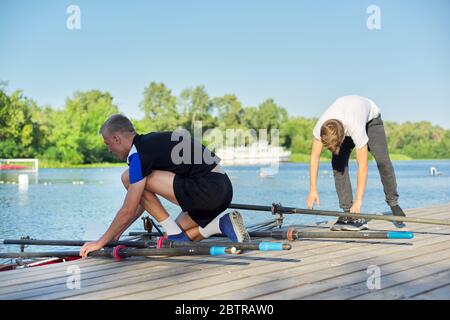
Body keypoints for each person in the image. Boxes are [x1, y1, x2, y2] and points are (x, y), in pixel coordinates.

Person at [79, 114, 249, 258]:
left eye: (107, 143)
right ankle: (220, 224)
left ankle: (174, 232)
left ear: (116, 138)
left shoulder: (139, 154)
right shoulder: (151, 143)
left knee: (127, 177)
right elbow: (141, 202)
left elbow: (128, 209)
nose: (108, 150)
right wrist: (114, 235)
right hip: (222, 190)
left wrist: (101, 241)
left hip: (207, 189)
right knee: (170, 243)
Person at [306, 95, 406, 231]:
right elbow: (314, 157)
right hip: (345, 118)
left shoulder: (355, 128)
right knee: (338, 163)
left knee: (383, 162)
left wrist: (359, 200)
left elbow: (362, 167)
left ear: (342, 139)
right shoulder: (321, 128)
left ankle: (393, 202)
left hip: (371, 121)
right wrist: (313, 189)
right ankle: (347, 211)